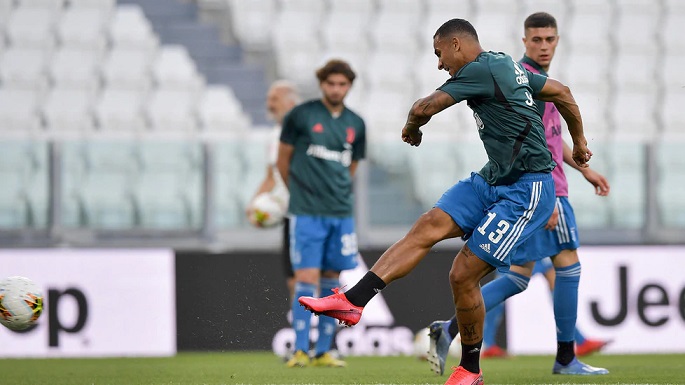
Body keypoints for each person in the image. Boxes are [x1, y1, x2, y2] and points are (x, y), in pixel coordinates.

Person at [300, 18, 593, 385]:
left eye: (439, 54)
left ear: (456, 45)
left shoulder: (479, 69)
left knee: (463, 272)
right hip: (493, 178)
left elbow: (424, 107)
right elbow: (562, 91)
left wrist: (411, 128)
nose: (440, 63)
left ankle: (470, 368)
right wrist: (579, 142)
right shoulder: (505, 65)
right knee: (428, 225)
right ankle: (354, 300)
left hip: (526, 189)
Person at [425, 12, 610, 377]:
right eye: (536, 39)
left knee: (518, 277)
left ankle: (447, 330)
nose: (543, 46)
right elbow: (530, 148)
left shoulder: (529, 79)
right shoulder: (523, 80)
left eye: (549, 39)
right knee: (567, 265)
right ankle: (566, 358)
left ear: (557, 41)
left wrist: (585, 169)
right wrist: (552, 195)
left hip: (533, 189)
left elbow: (553, 143)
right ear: (524, 41)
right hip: (540, 191)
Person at [276, 59, 366, 368]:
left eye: (342, 84)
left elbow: (351, 166)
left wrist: (335, 191)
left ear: (349, 86)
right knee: (305, 277)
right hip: (307, 212)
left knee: (332, 280)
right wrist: (299, 194)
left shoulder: (357, 123)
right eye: (331, 84)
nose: (336, 89)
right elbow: (282, 160)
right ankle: (300, 349)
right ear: (322, 84)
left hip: (340, 213)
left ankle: (323, 350)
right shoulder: (301, 116)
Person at [247, 80, 301, 303]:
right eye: (269, 99)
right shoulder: (274, 135)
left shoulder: (302, 131)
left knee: (310, 276)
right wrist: (254, 204)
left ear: (290, 102)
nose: (269, 104)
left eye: (274, 99)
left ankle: (323, 329)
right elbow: (271, 176)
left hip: (305, 212)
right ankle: (303, 332)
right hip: (288, 215)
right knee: (292, 279)